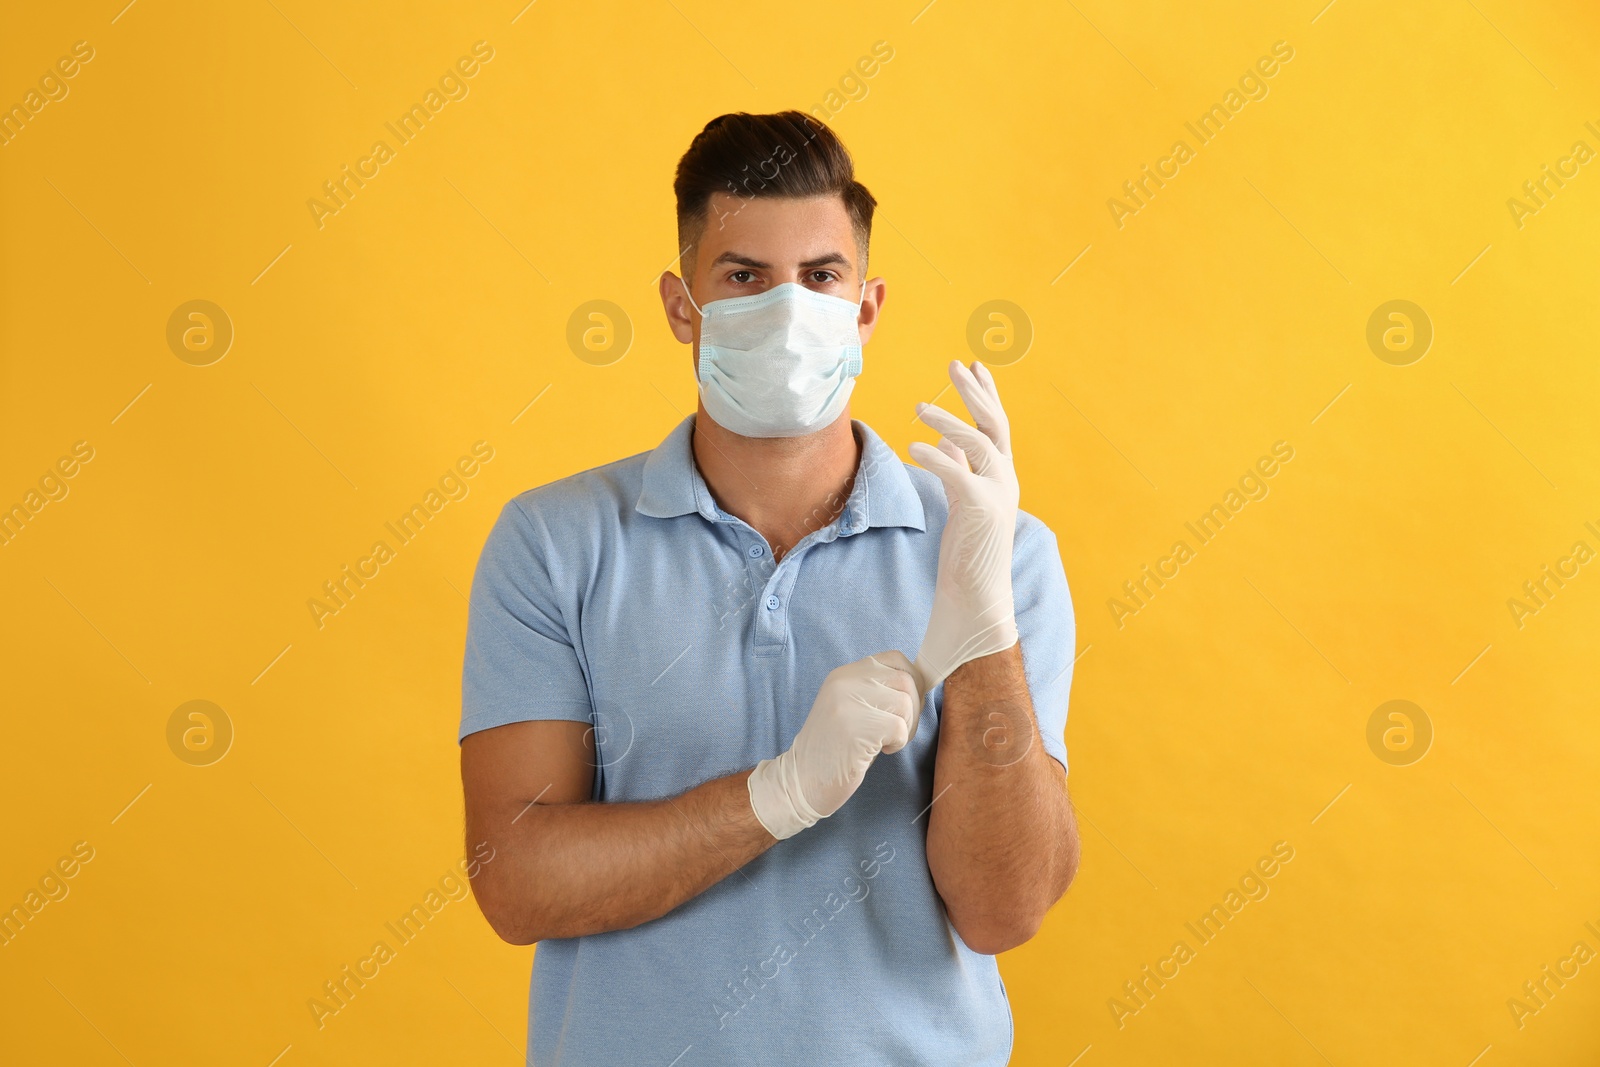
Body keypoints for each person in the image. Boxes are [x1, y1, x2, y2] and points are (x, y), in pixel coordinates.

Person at [458, 109, 1079, 1065]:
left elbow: (1006, 907)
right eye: (743, 276)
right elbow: (518, 881)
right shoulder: (554, 543)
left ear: (866, 308)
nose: (787, 308)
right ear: (681, 305)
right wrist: (778, 794)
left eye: (821, 276)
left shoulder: (999, 547)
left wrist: (984, 618)